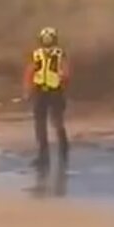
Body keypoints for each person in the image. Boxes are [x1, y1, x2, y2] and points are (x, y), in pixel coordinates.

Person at [24, 27, 70, 169]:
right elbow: (30, 73)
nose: (47, 40)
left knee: (55, 122)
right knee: (41, 123)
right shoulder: (37, 54)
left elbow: (66, 73)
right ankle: (45, 155)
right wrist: (28, 90)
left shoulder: (59, 54)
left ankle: (62, 148)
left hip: (54, 91)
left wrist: (63, 86)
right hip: (41, 91)